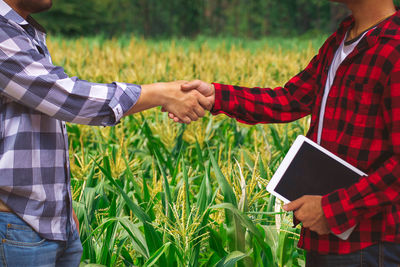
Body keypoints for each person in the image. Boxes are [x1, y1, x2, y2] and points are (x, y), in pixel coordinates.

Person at [171, 0, 400, 265]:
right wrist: (216, 97)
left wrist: (333, 209)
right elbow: (290, 99)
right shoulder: (343, 38)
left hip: (369, 243)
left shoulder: (394, 49)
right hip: (326, 234)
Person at [0, 0, 212, 266]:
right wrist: (159, 93)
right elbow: (66, 97)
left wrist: (61, 207)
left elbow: (30, 129)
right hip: (15, 226)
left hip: (49, 221)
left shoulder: (22, 31)